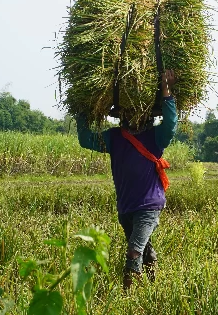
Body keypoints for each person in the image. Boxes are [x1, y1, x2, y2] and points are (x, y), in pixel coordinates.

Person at [76, 69, 177, 290]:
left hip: (149, 205)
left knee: (134, 250)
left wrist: (166, 91)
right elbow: (85, 139)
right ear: (121, 115)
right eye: (127, 112)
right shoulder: (114, 137)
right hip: (126, 206)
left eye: (137, 112)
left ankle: (128, 296)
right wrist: (82, 109)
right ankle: (153, 287)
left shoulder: (155, 137)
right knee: (145, 248)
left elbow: (170, 125)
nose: (132, 117)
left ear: (147, 114)